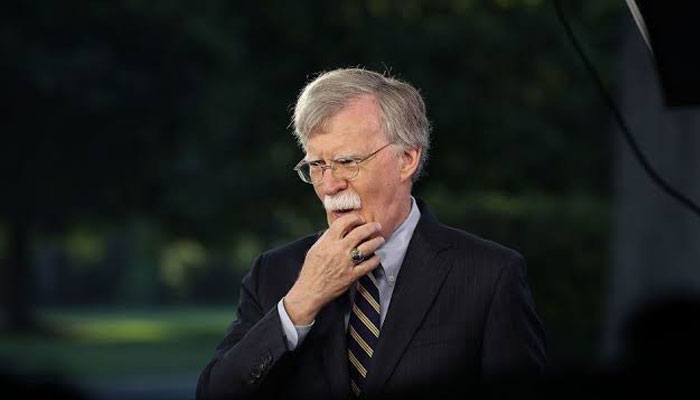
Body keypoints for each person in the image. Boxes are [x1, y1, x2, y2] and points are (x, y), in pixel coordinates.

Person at [196, 68, 546, 400]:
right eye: (317, 165)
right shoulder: (273, 273)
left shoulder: (489, 275)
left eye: (347, 162)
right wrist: (301, 302)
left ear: (406, 160)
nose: (329, 185)